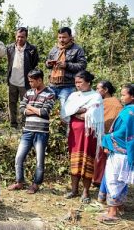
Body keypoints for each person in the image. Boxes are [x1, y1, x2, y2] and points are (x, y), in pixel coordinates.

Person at [7, 69, 55, 194]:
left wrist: (29, 107)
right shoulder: (28, 92)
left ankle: (36, 184)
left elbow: (44, 112)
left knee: (39, 160)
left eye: (32, 81)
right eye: (29, 81)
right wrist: (34, 109)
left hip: (41, 132)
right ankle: (19, 182)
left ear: (40, 80)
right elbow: (22, 109)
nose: (30, 84)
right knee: (19, 157)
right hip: (27, 130)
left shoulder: (50, 93)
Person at [61, 71, 104, 203]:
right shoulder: (74, 95)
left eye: (80, 82)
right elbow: (66, 110)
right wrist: (81, 110)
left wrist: (76, 111)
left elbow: (92, 114)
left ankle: (85, 192)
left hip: (88, 134)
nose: (77, 85)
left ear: (88, 82)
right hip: (75, 133)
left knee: (87, 160)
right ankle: (74, 190)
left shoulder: (96, 96)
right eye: (76, 82)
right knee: (75, 159)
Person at [97, 83, 134, 222]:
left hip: (120, 152)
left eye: (124, 95)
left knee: (114, 179)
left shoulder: (129, 113)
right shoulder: (129, 110)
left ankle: (112, 213)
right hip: (125, 152)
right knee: (121, 179)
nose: (121, 97)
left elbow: (124, 132)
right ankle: (119, 207)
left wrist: (106, 138)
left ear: (133, 96)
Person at [6, 27, 40, 128]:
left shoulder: (32, 49)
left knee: (25, 103)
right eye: (18, 36)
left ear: (26, 37)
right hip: (12, 80)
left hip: (25, 82)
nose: (20, 39)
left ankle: (25, 124)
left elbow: (34, 63)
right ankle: (13, 123)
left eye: (22, 37)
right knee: (12, 103)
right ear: (15, 36)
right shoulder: (10, 48)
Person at [46, 27, 87, 107]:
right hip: (52, 85)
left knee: (65, 110)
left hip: (68, 85)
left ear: (70, 37)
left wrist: (67, 65)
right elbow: (48, 63)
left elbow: (82, 66)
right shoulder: (54, 49)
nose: (61, 40)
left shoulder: (77, 49)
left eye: (64, 37)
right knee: (47, 107)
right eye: (59, 37)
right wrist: (48, 64)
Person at [93, 81, 124, 186]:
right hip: (108, 135)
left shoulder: (110, 103)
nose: (96, 91)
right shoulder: (115, 102)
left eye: (98, 89)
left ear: (105, 90)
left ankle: (99, 180)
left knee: (102, 158)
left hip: (107, 135)